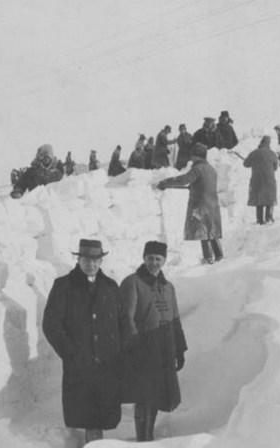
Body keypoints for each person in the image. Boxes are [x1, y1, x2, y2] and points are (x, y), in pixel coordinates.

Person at [42, 239, 121, 443]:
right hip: (80, 363)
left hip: (106, 364)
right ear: (78, 259)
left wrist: (116, 352)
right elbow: (51, 325)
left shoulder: (110, 287)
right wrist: (71, 353)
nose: (91, 265)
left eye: (96, 260)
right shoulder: (64, 286)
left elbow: (119, 323)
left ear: (101, 261)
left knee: (102, 414)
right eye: (86, 260)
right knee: (88, 415)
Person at [119, 241, 187, 442]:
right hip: (143, 347)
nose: (154, 263)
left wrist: (179, 349)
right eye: (150, 258)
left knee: (157, 393)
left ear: (164, 260)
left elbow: (175, 318)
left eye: (158, 259)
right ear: (144, 258)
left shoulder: (168, 286)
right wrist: (133, 347)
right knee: (143, 395)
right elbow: (126, 318)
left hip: (164, 346)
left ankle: (149, 436)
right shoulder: (132, 282)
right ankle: (143, 439)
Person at [156, 143, 223, 264]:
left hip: (201, 204)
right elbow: (204, 184)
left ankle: (209, 258)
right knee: (212, 230)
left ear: (198, 156)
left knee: (204, 232)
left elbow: (184, 180)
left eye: (193, 155)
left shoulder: (197, 169)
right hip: (212, 204)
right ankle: (219, 255)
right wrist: (194, 187)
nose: (191, 158)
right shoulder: (211, 169)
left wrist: (165, 183)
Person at [243, 135, 278, 224]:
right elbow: (275, 167)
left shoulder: (254, 153)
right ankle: (269, 218)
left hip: (257, 180)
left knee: (259, 199)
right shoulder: (272, 153)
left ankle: (259, 219)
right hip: (269, 180)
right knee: (269, 199)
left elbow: (246, 164)